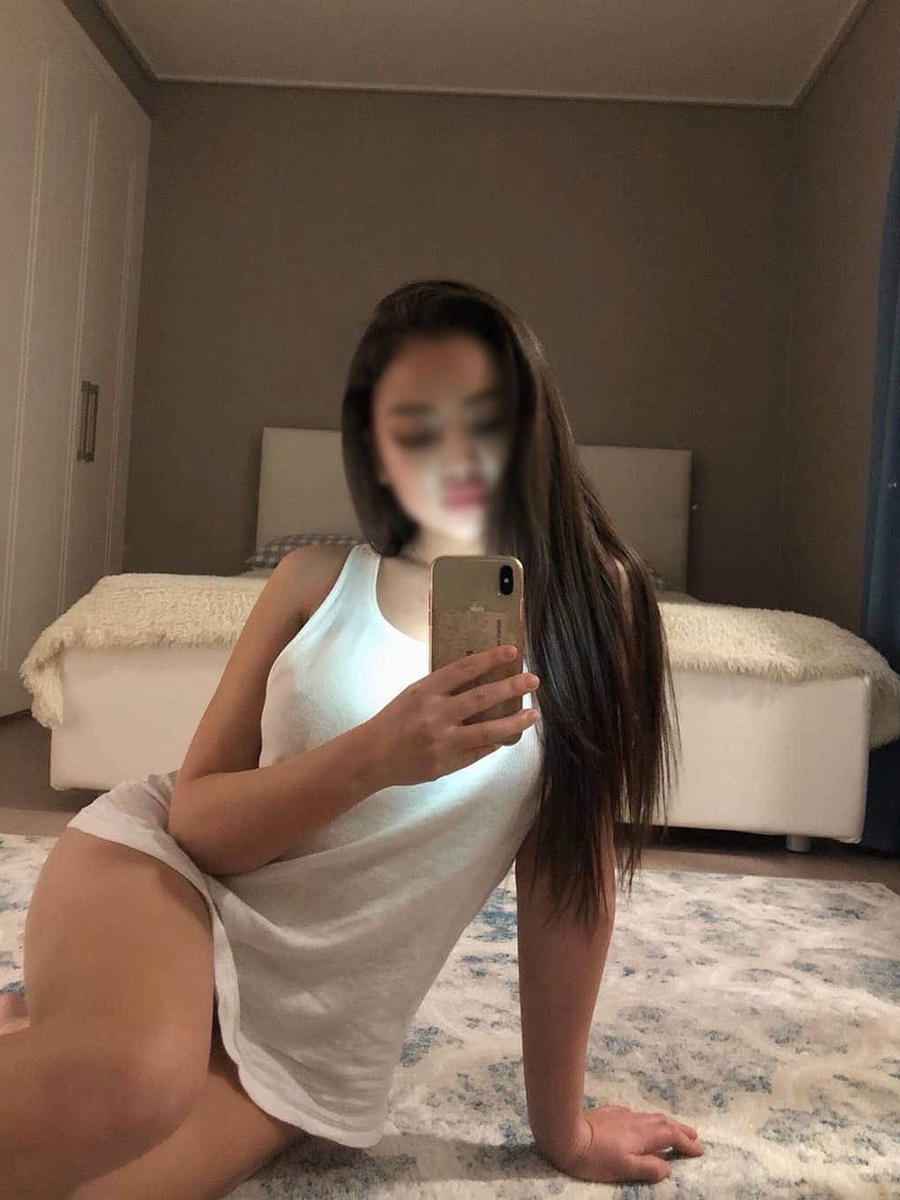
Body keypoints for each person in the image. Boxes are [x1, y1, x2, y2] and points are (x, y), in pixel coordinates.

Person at [1, 279, 702, 1197]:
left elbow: (569, 887)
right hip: (168, 887)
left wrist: (563, 1130)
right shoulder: (312, 581)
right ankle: (93, 1024)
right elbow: (197, 826)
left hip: (313, 1021)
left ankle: (49, 1025)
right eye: (414, 426)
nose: (454, 452)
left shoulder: (600, 610)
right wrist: (377, 754)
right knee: (136, 1080)